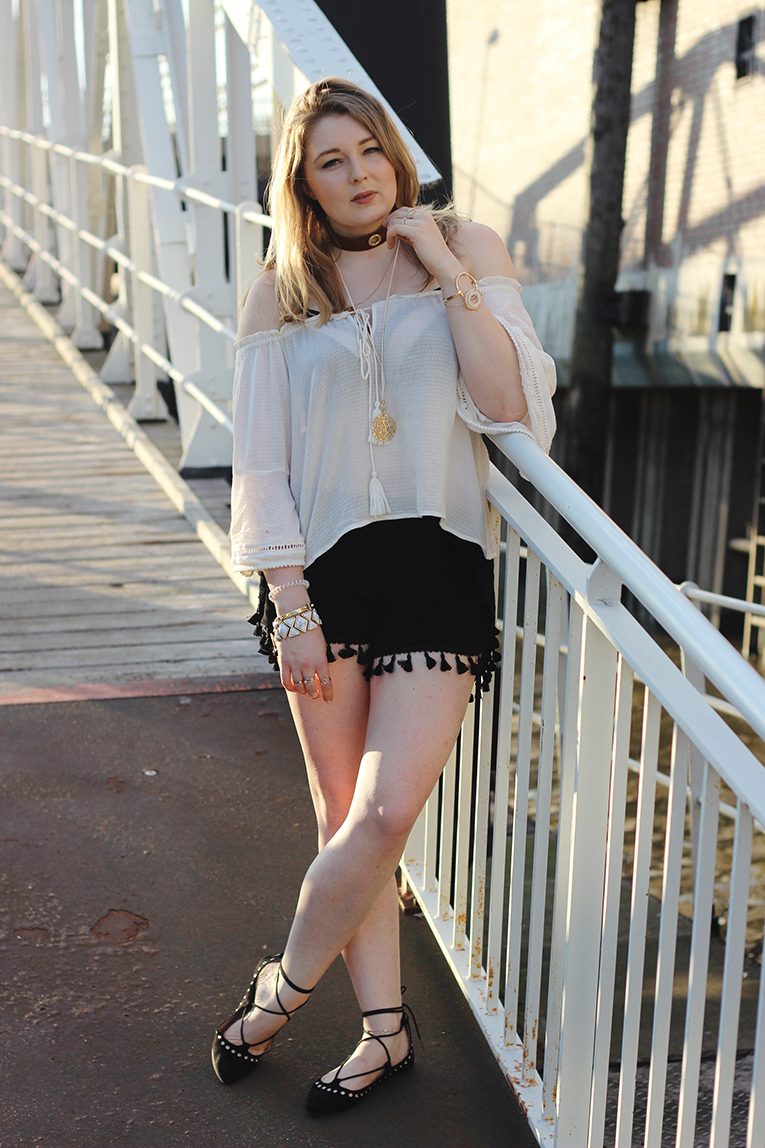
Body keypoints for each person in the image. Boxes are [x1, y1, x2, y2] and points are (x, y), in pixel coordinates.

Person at [213, 76, 556, 1115]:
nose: (358, 172)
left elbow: (508, 406)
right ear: (304, 185)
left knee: (385, 809)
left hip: (438, 566)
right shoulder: (282, 287)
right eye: (332, 160)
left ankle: (277, 994)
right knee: (344, 816)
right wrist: (290, 601)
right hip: (321, 579)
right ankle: (384, 1032)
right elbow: (259, 461)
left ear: (394, 153)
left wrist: (448, 275)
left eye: (369, 149)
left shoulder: (467, 245)